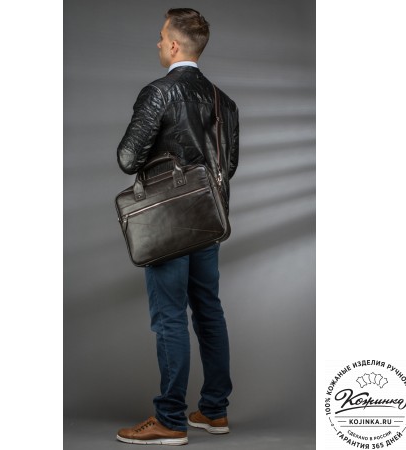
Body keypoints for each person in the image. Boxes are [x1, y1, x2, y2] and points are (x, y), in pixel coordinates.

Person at [116, 8, 239, 446]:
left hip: (167, 220)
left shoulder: (159, 92)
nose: (157, 43)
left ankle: (169, 419)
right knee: (208, 310)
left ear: (172, 45)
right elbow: (228, 165)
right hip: (207, 219)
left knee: (169, 316)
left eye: (160, 36)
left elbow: (128, 158)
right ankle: (214, 411)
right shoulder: (224, 101)